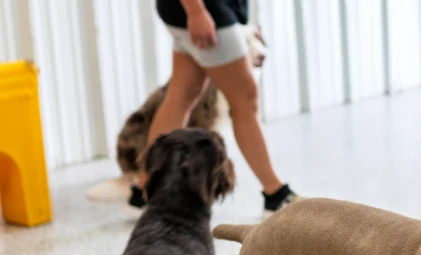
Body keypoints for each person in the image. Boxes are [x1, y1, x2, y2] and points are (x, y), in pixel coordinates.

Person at [128, 0, 300, 216]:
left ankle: (144, 191)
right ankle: (276, 194)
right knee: (245, 100)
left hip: (199, 10)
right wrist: (197, 12)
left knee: (182, 96)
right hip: (207, 10)